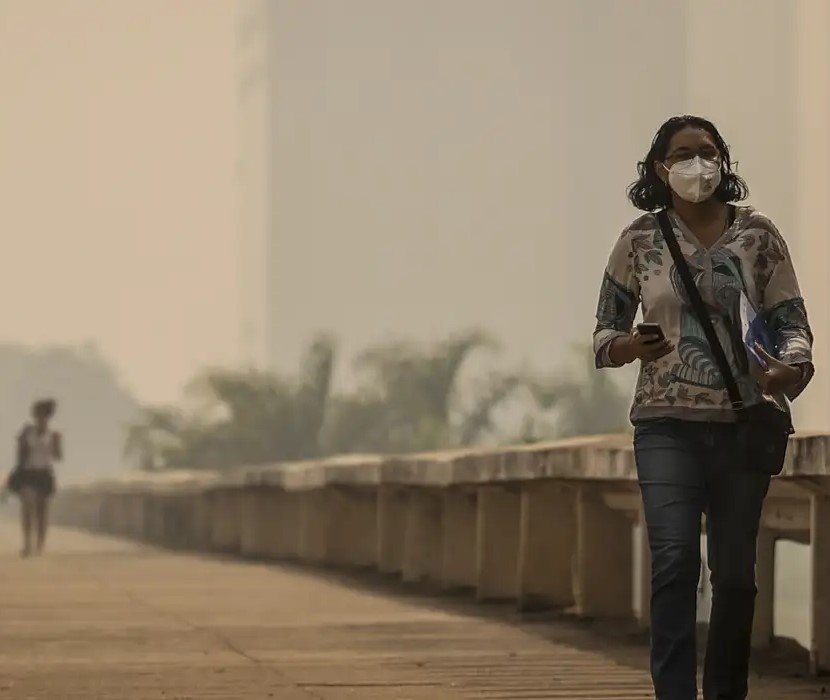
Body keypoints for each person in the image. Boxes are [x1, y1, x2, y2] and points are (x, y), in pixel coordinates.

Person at [592, 115, 814, 700]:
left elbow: (793, 322)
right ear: (660, 169)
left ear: (724, 161)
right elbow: (603, 334)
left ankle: (724, 693)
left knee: (737, 579)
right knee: (673, 562)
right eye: (684, 154)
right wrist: (628, 346)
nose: (698, 164)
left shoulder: (759, 236)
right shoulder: (639, 240)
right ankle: (672, 693)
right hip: (666, 424)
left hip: (743, 426)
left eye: (708, 152)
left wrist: (792, 367)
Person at [14, 399, 62, 557]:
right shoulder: (27, 432)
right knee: (27, 508)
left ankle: (39, 545)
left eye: (44, 416)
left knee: (42, 511)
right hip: (28, 473)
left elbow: (58, 457)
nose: (40, 418)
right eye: (38, 415)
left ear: (48, 417)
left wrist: (56, 445)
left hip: (44, 474)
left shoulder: (54, 435)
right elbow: (19, 454)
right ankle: (27, 544)